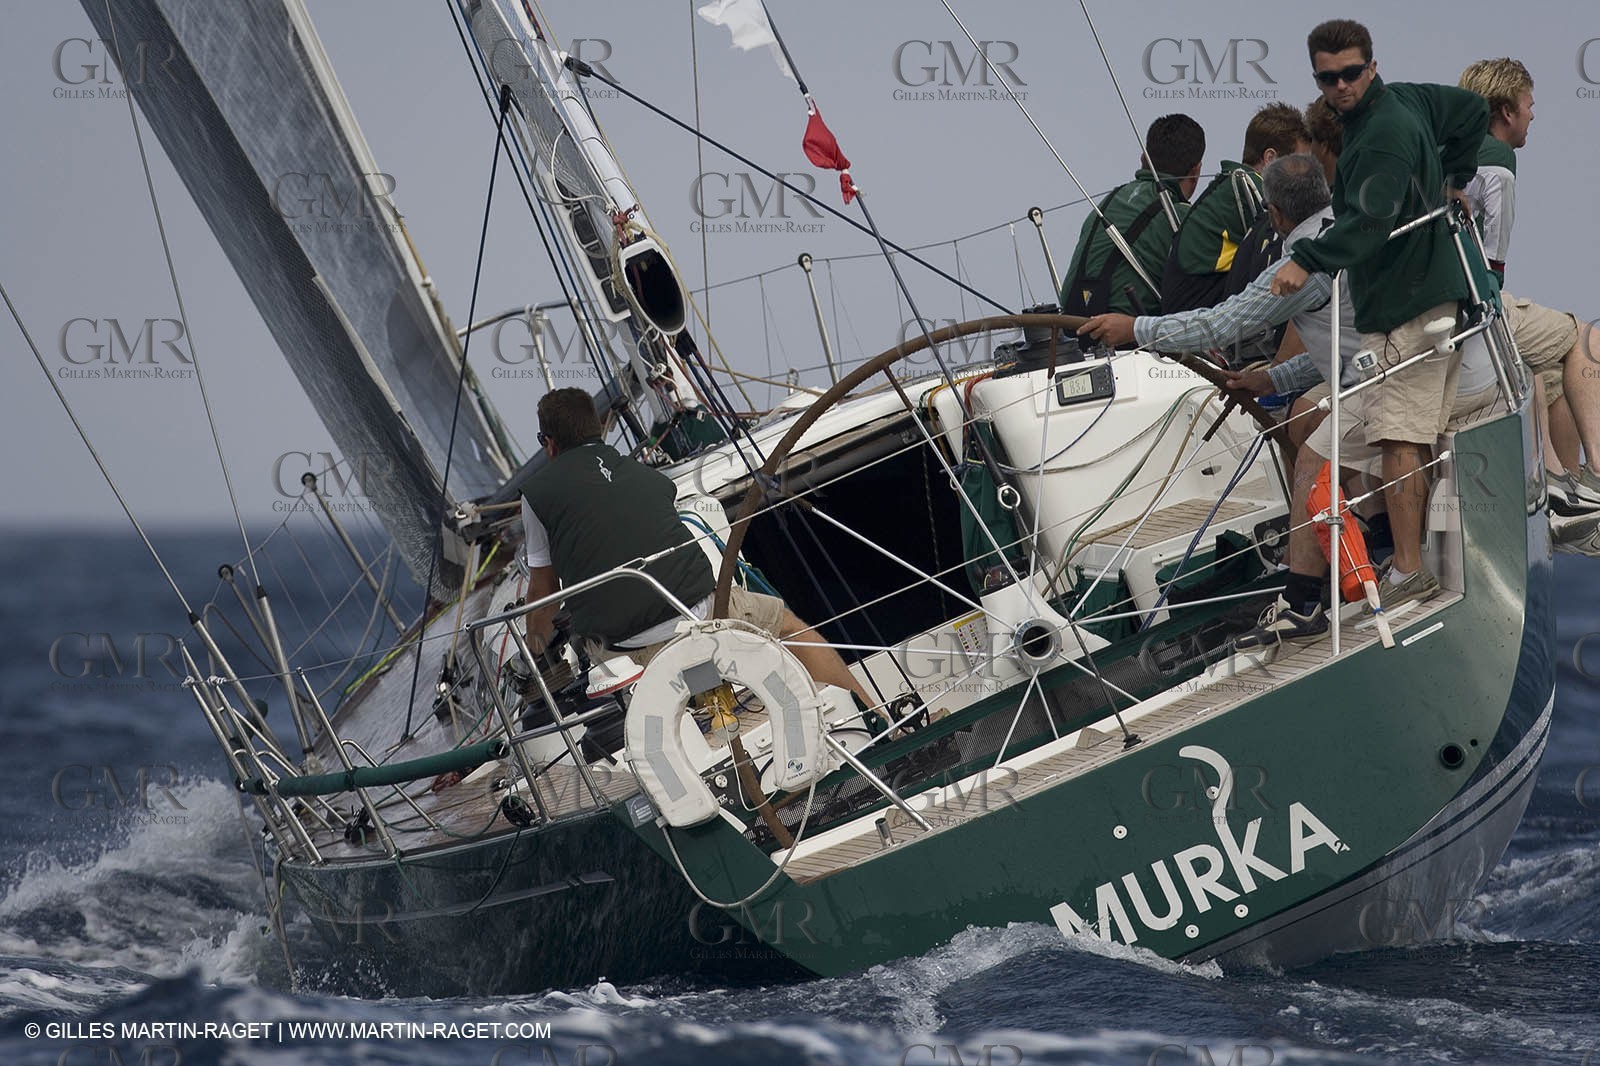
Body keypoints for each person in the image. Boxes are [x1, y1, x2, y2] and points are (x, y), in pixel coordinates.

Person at [1269, 18, 1488, 608]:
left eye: (1350, 73)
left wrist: (1304, 260)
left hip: (1406, 305)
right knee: (1385, 440)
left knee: (1398, 436)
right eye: (1327, 78)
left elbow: (1369, 225)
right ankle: (1357, 578)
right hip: (1427, 299)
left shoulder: (1382, 135)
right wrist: (1452, 177)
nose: (1339, 86)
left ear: (1371, 65)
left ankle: (1408, 571)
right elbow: (1471, 111)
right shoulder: (1409, 100)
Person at [519, 388, 872, 705]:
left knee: (592, 665)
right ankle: (873, 714)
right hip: (705, 612)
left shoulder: (537, 495)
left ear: (548, 442)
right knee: (790, 627)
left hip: (630, 646)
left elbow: (544, 592)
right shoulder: (642, 474)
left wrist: (535, 651)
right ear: (597, 428)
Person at [1457, 58, 1600, 519]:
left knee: (1540, 356)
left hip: (1446, 298)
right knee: (1584, 336)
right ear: (1505, 111)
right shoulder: (1498, 160)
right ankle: (1592, 473)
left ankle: (1556, 477)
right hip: (1473, 303)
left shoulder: (1453, 151)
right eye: (1528, 105)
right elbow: (1493, 260)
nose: (1533, 115)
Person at [1160, 102, 1310, 316]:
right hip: (1197, 316)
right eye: (1300, 163)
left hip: (1189, 308)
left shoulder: (1229, 186)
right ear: (1271, 159)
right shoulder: (1247, 187)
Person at [1059, 113, 1204, 317]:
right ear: (1196, 171)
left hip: (1071, 329)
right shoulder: (1185, 218)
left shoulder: (1106, 203)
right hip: (1131, 337)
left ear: (1143, 158)